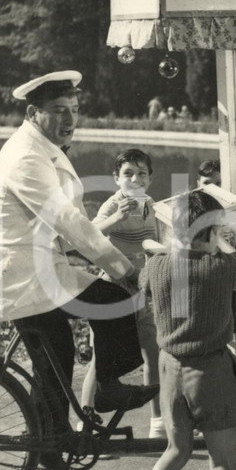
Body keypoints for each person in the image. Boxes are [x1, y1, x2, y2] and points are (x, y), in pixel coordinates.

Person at [0, 71, 147, 470]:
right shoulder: (27, 157)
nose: (69, 120)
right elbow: (68, 220)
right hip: (22, 276)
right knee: (97, 312)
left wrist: (103, 260)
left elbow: (69, 225)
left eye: (73, 111)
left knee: (56, 357)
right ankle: (96, 397)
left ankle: (54, 439)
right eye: (58, 111)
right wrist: (123, 268)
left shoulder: (40, 147)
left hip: (39, 268)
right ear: (34, 113)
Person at [114, 189, 236, 470]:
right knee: (223, 465)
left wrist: (168, 246)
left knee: (175, 451)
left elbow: (152, 267)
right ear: (213, 231)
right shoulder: (223, 268)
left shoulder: (156, 267)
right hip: (210, 373)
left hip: (170, 371)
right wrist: (222, 238)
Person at [83, 148, 164, 438]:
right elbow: (89, 233)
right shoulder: (113, 204)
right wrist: (115, 218)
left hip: (142, 285)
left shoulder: (151, 204)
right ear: (116, 178)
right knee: (101, 357)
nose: (135, 178)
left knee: (152, 351)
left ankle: (157, 422)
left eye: (142, 173)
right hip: (114, 283)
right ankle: (86, 420)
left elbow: (157, 239)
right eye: (128, 173)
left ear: (150, 179)